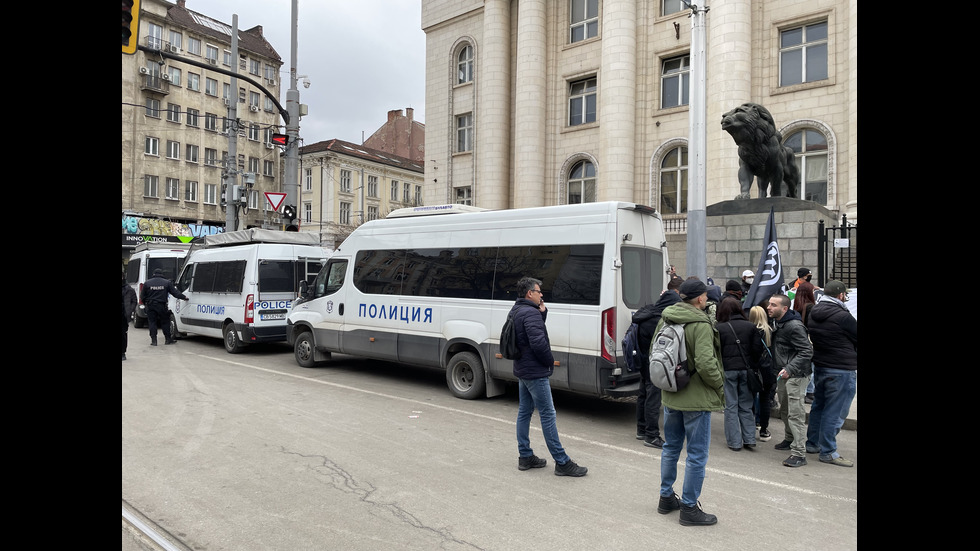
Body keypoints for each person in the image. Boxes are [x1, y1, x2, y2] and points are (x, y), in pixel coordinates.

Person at [656, 278, 724, 526]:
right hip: (695, 398)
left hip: (671, 392)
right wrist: (719, 385)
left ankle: (666, 498)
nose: (706, 299)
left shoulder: (666, 318)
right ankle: (689, 508)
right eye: (705, 295)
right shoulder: (701, 323)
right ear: (699, 299)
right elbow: (707, 363)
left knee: (671, 447)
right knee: (696, 454)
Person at [510, 276, 587, 477]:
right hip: (535, 371)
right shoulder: (530, 313)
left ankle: (525, 455)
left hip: (523, 368)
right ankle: (562, 462)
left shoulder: (517, 310)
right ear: (529, 293)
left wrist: (542, 314)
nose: (541, 294)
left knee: (525, 412)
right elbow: (537, 343)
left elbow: (527, 335)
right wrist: (549, 361)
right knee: (548, 414)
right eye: (538, 291)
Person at [804, 281, 857, 467]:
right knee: (835, 411)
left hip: (822, 366)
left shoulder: (814, 313)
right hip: (842, 369)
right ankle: (828, 451)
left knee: (819, 406)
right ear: (841, 295)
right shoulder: (842, 316)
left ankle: (812, 443)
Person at [633, 275, 682, 448]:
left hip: (642, 360)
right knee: (653, 397)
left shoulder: (646, 313)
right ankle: (651, 435)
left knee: (643, 394)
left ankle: (641, 429)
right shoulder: (658, 319)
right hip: (654, 362)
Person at [716, 297, 770, 452]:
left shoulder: (719, 328)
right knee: (746, 405)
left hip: (727, 370)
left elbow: (716, 351)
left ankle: (734, 442)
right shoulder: (750, 327)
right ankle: (749, 439)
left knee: (731, 406)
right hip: (747, 370)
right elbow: (757, 350)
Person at [766, 294, 813, 467]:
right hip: (783, 374)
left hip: (796, 376)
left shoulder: (794, 326)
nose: (769, 307)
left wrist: (790, 369)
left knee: (795, 414)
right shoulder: (778, 322)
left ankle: (799, 453)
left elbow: (807, 352)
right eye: (769, 304)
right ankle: (789, 439)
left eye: (773, 305)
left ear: (784, 308)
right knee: (785, 411)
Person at [748, 305, 776, 442]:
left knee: (751, 398)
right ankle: (764, 429)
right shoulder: (771, 330)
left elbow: (753, 352)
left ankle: (751, 426)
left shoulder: (752, 331)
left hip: (755, 369)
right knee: (765, 400)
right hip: (768, 369)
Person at [141, 267, 189, 346]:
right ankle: (168, 339)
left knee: (152, 323)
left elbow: (142, 296)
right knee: (165, 322)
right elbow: (175, 293)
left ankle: (154, 341)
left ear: (154, 274)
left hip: (150, 305)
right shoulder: (166, 283)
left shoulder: (147, 283)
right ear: (161, 274)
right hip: (161, 305)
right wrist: (184, 297)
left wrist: (146, 304)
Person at [122, 275, 137, 361]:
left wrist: (130, 310)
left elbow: (134, 301)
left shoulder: (129, 289)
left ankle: (123, 352)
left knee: (123, 334)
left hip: (124, 315)